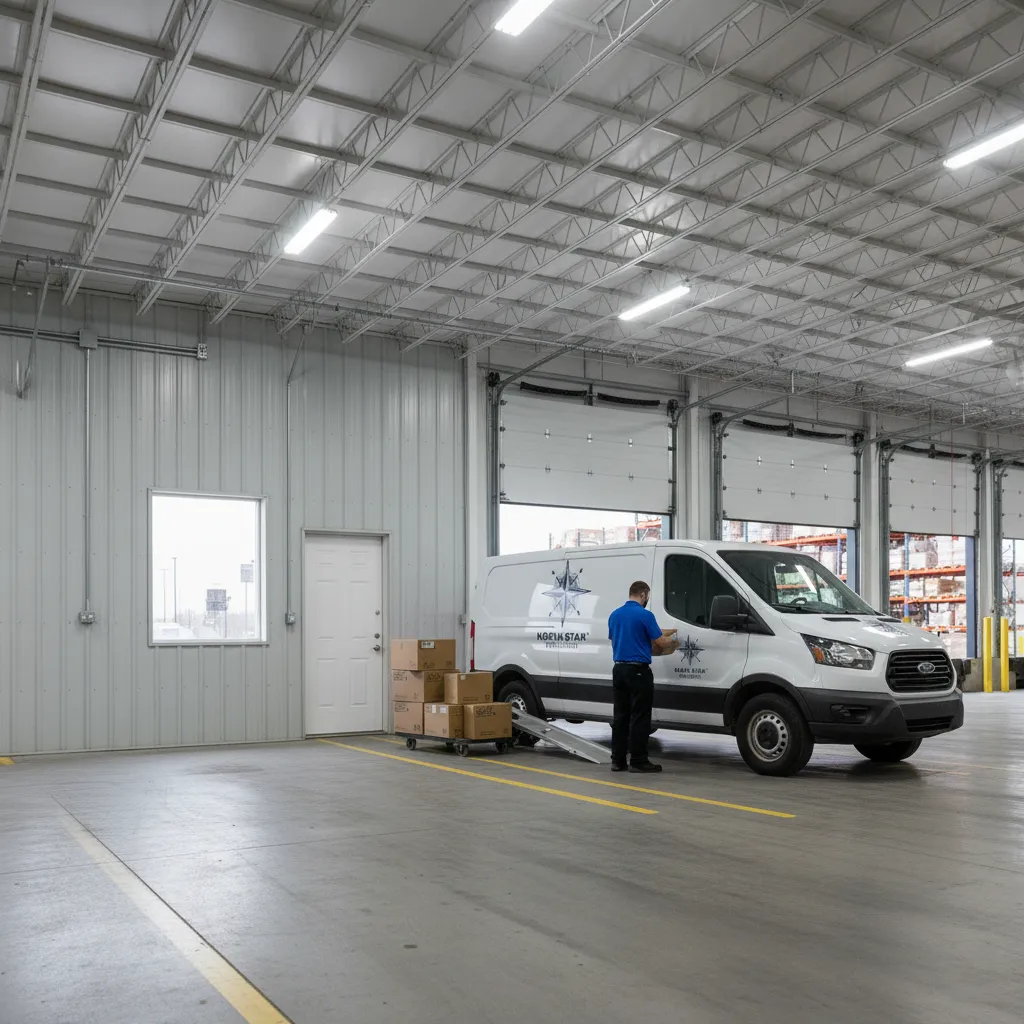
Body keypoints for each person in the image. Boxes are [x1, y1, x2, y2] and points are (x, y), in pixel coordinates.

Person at [607, 581, 679, 773]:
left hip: (619, 669)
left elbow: (626, 636)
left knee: (620, 716)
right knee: (639, 716)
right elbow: (660, 642)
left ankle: (617, 761)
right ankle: (638, 761)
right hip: (638, 672)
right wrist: (675, 641)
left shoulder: (615, 615)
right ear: (644, 594)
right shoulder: (645, 615)